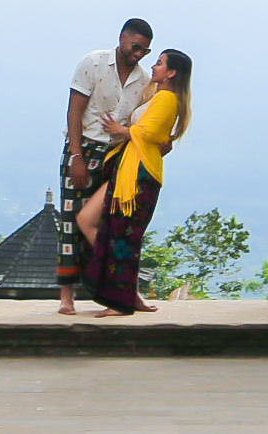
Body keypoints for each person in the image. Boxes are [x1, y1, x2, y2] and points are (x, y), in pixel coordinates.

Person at [74, 48, 189, 316]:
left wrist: (120, 131)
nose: (154, 67)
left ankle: (121, 301)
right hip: (127, 169)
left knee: (123, 237)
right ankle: (127, 293)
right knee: (94, 223)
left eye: (160, 64)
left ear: (171, 72)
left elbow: (151, 133)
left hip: (140, 174)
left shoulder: (168, 99)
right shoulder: (157, 97)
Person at [54, 18, 154, 316]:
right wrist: (76, 157)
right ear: (122, 38)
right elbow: (74, 110)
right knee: (72, 223)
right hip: (83, 147)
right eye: (135, 47)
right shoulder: (93, 63)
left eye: (145, 51)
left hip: (116, 155)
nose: (138, 54)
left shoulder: (143, 79)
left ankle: (120, 291)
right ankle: (66, 296)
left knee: (116, 226)